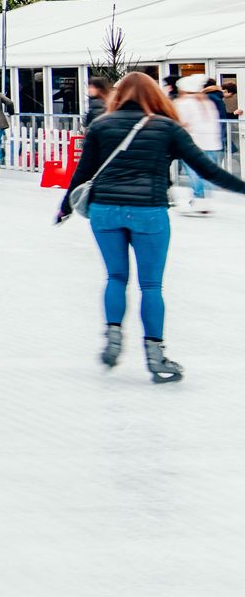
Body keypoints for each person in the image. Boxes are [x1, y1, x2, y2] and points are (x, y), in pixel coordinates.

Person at [57, 72, 245, 383]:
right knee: (150, 286)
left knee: (116, 276)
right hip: (149, 211)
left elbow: (82, 173)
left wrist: (64, 207)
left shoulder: (101, 125)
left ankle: (113, 337)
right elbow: (207, 169)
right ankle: (156, 355)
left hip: (105, 211)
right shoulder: (167, 127)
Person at [172, 74, 223, 215]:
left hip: (194, 144)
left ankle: (199, 199)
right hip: (211, 143)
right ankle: (203, 199)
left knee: (194, 172)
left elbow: (178, 122)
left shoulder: (183, 103)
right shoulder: (206, 102)